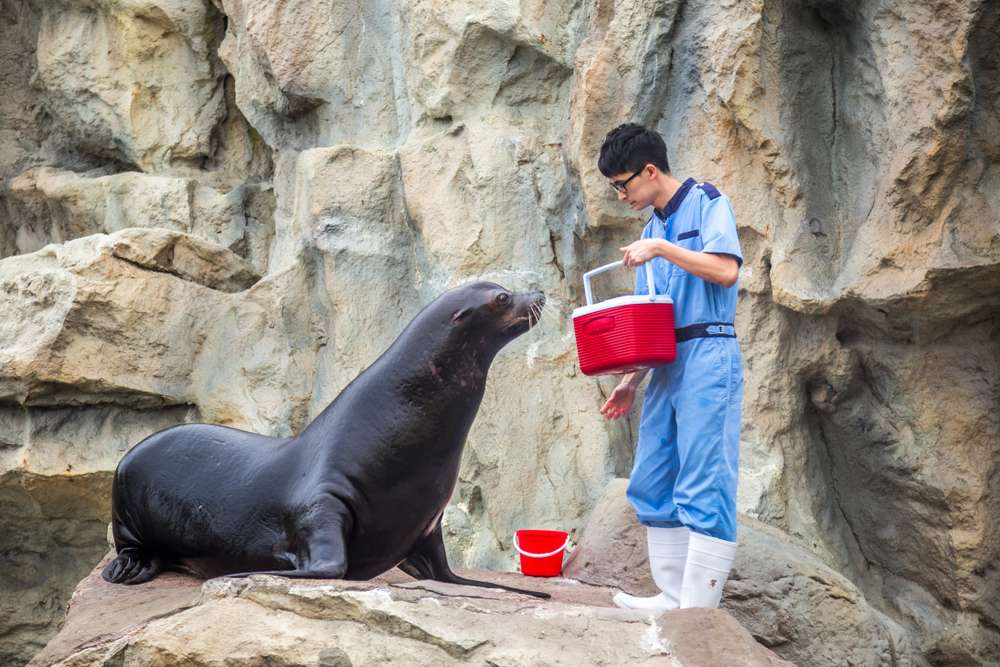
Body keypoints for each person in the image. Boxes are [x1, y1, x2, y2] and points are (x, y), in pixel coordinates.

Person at [597, 123, 744, 611]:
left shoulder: (707, 203)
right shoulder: (650, 230)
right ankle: (672, 595)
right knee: (653, 477)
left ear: (650, 171)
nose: (621, 196)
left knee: (704, 478)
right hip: (664, 362)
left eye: (623, 185)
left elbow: (726, 270)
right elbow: (650, 319)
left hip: (709, 352)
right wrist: (629, 382)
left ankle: (698, 612)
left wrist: (662, 250)